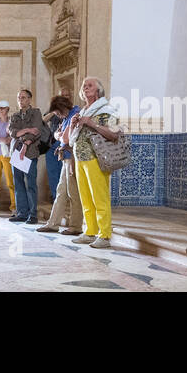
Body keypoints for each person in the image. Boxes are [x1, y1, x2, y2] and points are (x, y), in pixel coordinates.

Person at [67, 77, 121, 249]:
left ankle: (104, 235)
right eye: (84, 86)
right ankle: (90, 231)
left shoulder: (106, 109)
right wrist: (75, 124)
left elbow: (113, 133)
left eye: (89, 85)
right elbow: (70, 138)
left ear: (98, 90)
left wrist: (91, 123)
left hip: (96, 158)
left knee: (100, 198)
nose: (85, 88)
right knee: (86, 198)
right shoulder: (83, 111)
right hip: (81, 158)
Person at [38, 95, 83, 237]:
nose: (57, 116)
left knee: (73, 193)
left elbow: (65, 138)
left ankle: (76, 226)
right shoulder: (66, 117)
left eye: (57, 113)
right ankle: (53, 224)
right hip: (66, 158)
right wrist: (59, 135)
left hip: (73, 159)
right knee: (61, 191)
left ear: (63, 108)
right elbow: (58, 133)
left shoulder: (75, 114)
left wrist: (59, 136)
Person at [7, 89, 47, 224]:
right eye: (19, 98)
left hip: (30, 152)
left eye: (23, 98)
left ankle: (33, 214)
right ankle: (21, 212)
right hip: (16, 153)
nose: (20, 100)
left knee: (30, 184)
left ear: (29, 99)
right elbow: (12, 132)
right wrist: (26, 130)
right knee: (18, 183)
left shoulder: (36, 113)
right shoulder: (15, 115)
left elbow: (37, 131)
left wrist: (25, 143)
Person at [44, 94, 69, 203]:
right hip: (52, 145)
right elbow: (43, 120)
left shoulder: (72, 111)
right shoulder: (53, 112)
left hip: (65, 146)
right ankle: (56, 198)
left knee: (64, 174)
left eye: (66, 95)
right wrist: (54, 110)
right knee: (52, 173)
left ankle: (64, 198)